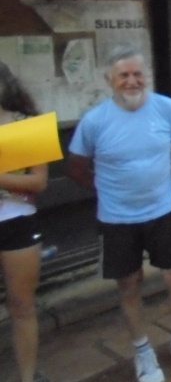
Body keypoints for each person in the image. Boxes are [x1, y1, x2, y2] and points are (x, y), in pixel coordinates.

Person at [66, 45, 171, 382]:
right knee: (129, 284)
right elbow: (77, 168)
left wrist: (153, 180)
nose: (133, 81)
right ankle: (143, 353)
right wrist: (108, 189)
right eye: (124, 75)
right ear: (110, 80)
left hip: (162, 211)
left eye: (138, 74)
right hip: (117, 218)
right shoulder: (94, 121)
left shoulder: (167, 109)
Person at [0, 61, 50, 382]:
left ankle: (27, 377)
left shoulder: (27, 125)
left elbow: (38, 182)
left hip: (17, 222)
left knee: (21, 306)